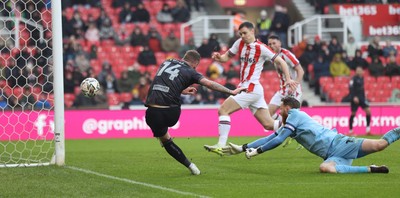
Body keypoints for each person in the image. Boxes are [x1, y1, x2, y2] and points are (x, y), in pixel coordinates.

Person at [221, 96, 398, 174]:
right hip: (331, 154)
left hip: (340, 143)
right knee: (325, 168)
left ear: (287, 108)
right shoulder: (289, 121)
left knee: (380, 145)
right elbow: (270, 138)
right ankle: (371, 169)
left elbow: (280, 139)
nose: (279, 110)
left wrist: (258, 151)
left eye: (281, 107)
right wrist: (244, 147)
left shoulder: (294, 115)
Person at [144, 50, 246, 175]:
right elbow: (209, 83)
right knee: (166, 131)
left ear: (184, 58)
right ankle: (192, 167)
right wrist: (231, 92)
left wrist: (181, 89)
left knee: (166, 140)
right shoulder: (191, 71)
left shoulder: (167, 62)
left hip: (151, 112)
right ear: (196, 63)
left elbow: (165, 81)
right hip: (171, 112)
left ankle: (191, 166)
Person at [203, 22, 298, 155]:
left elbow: (281, 62)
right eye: (240, 34)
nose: (242, 36)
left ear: (252, 31)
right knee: (268, 124)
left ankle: (220, 145)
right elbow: (227, 57)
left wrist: (288, 79)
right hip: (253, 90)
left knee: (223, 110)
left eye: (245, 33)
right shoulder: (239, 43)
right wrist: (220, 58)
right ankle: (295, 129)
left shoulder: (262, 48)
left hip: (250, 88)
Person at [349, 66, 371, 135]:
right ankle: (350, 131)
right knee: (353, 113)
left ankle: (368, 130)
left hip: (362, 98)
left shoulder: (362, 78)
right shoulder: (353, 79)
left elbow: (362, 89)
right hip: (355, 98)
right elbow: (351, 88)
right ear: (356, 71)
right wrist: (354, 97)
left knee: (368, 111)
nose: (359, 71)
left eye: (360, 70)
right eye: (358, 70)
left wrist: (365, 97)